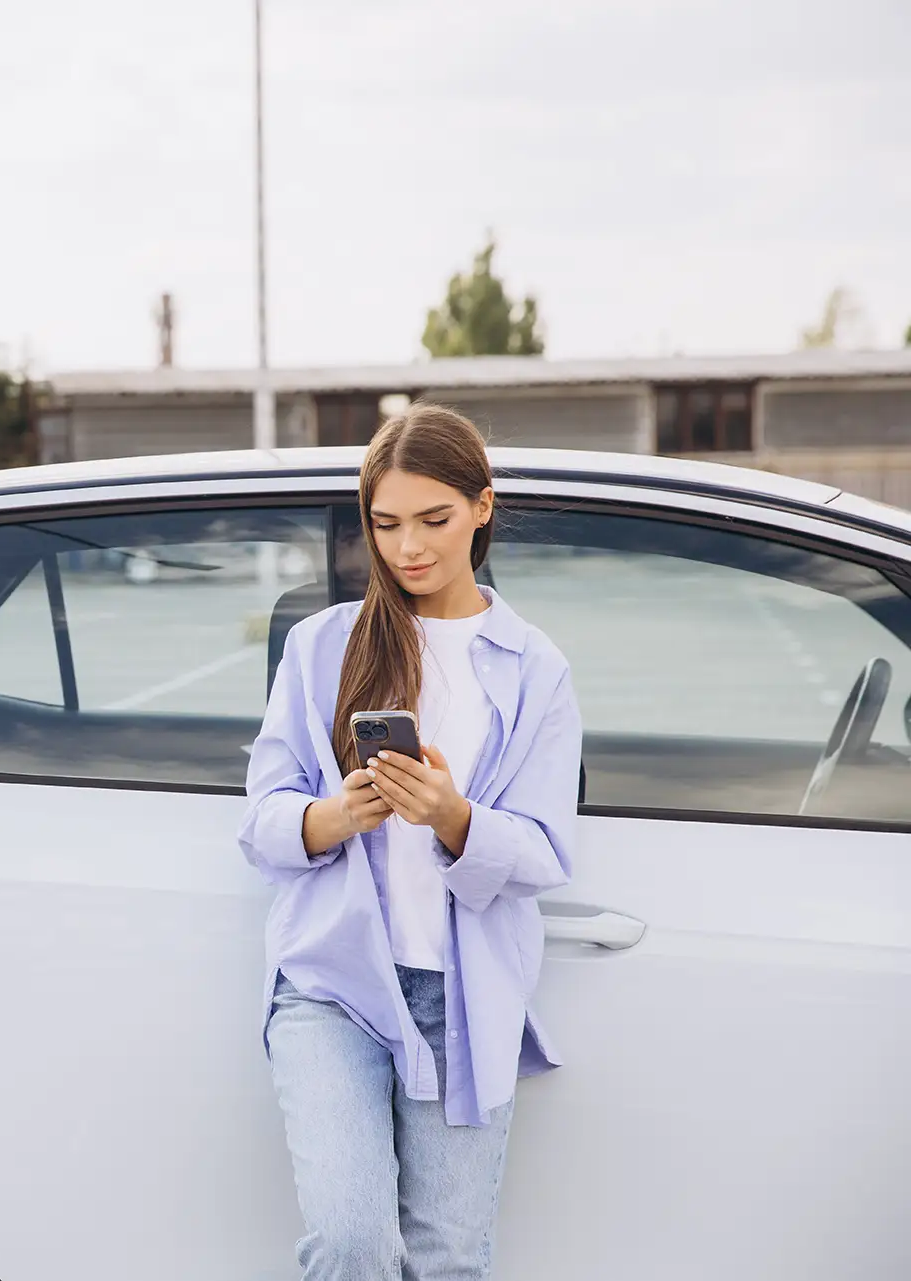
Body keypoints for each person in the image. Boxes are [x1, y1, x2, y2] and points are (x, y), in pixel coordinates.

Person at [239, 402, 581, 1280]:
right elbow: (263, 822)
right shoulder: (321, 647)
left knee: (446, 1261)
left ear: (482, 505)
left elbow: (546, 850)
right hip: (333, 985)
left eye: (433, 519)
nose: (408, 548)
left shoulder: (535, 667)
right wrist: (335, 816)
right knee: (351, 1241)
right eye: (385, 524)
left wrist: (452, 817)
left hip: (464, 997)